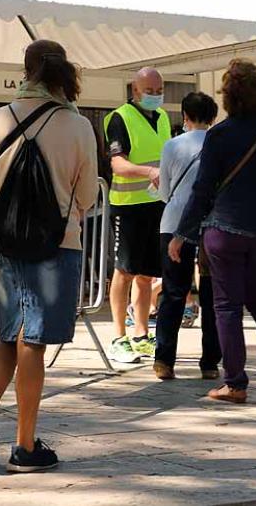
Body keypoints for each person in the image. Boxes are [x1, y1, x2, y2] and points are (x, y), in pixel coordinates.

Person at [0, 40, 98, 473]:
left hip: (6, 245)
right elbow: (88, 195)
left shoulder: (0, 118)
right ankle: (25, 446)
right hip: (57, 246)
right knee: (32, 341)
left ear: (26, 70)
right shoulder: (78, 126)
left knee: (8, 335)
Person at [172, 59, 256, 405]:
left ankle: (235, 382)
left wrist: (182, 233)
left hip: (226, 230)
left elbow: (203, 189)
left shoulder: (219, 135)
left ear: (227, 97)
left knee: (226, 307)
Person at [103, 67, 171, 363]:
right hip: (128, 205)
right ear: (135, 90)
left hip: (157, 204)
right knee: (125, 270)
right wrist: (150, 172)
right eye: (149, 91)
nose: (155, 96)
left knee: (146, 274)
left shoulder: (164, 117)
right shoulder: (120, 118)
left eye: (159, 91)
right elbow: (118, 165)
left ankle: (142, 334)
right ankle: (119, 337)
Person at [153, 91, 222, 381]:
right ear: (213, 117)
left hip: (174, 222)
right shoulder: (221, 144)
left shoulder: (172, 145)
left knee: (173, 292)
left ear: (184, 117)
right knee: (212, 295)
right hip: (212, 224)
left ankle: (164, 361)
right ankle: (209, 363)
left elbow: (164, 191)